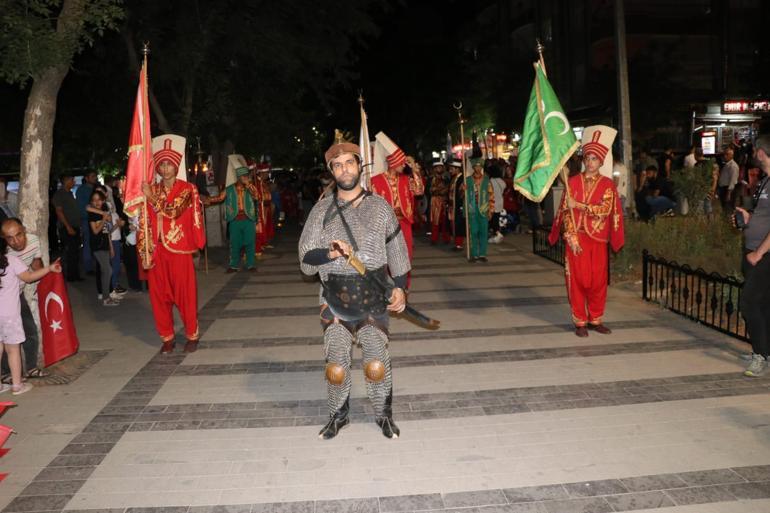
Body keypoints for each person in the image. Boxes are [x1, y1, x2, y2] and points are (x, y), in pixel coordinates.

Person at [298, 134, 410, 440]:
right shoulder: (321, 211)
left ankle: (383, 415)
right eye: (338, 165)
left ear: (360, 166)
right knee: (336, 363)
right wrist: (330, 253)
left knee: (375, 361)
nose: (345, 169)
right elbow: (306, 261)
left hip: (374, 293)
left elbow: (398, 251)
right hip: (334, 295)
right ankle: (338, 415)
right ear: (332, 172)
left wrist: (400, 288)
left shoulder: (381, 207)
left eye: (350, 162)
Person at [549, 127, 624, 337]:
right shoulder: (572, 182)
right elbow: (565, 212)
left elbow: (605, 210)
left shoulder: (608, 185)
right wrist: (570, 236)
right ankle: (580, 322)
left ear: (601, 162)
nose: (590, 162)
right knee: (577, 281)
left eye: (594, 159)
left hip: (598, 239)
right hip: (577, 239)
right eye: (588, 158)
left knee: (598, 281)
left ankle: (596, 319)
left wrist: (579, 205)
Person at [140, 143, 206, 353]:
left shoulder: (187, 189)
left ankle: (192, 334)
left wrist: (150, 197)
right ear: (158, 168)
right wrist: (144, 248)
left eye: (170, 164)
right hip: (157, 249)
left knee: (184, 294)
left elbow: (173, 211)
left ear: (176, 166)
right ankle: (167, 337)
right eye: (162, 164)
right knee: (159, 296)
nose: (166, 168)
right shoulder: (153, 187)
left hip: (178, 248)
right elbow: (143, 218)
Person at [0, 239, 61, 395]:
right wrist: (49, 268)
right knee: (13, 350)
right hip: (10, 316)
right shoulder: (11, 261)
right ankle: (17, 385)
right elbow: (29, 277)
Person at [735, 135, 770, 377]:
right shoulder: (766, 181)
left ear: (761, 153)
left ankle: (760, 355)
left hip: (763, 254)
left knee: (748, 302)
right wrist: (747, 217)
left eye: (755, 151)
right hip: (753, 249)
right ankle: (764, 351)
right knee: (763, 304)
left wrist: (759, 253)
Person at [1, 218, 49, 378]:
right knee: (4, 339)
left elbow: (36, 264)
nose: (15, 241)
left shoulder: (34, 240)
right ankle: (7, 373)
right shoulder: (5, 253)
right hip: (4, 299)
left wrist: (47, 282)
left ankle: (31, 367)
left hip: (18, 295)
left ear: (24, 230)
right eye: (9, 238)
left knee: (30, 330)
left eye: (18, 235)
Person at [371, 134, 424, 263]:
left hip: (404, 222)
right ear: (393, 163)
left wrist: (414, 170)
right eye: (402, 162)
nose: (404, 164)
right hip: (385, 225)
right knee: (388, 258)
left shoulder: (406, 179)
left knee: (406, 255)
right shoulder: (375, 180)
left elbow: (419, 190)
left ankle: (403, 283)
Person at [205, 166, 260, 273]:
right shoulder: (229, 189)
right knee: (235, 243)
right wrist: (208, 200)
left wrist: (249, 185)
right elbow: (220, 198)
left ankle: (251, 264)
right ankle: (233, 265)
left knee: (250, 242)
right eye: (243, 176)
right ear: (238, 177)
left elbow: (257, 196)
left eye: (246, 176)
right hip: (234, 219)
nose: (245, 178)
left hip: (248, 219)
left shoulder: (250, 187)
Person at [87, 190, 120, 306]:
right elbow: (95, 231)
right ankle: (106, 298)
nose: (97, 202)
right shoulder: (92, 214)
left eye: (99, 199)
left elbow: (107, 232)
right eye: (94, 200)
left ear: (103, 200)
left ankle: (106, 296)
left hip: (105, 245)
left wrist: (111, 247)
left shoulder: (103, 212)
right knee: (108, 270)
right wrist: (104, 218)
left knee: (106, 271)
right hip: (97, 246)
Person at [51, 174, 82, 282]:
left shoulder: (69, 193)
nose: (74, 182)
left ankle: (74, 275)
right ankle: (68, 276)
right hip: (67, 227)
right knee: (69, 252)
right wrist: (68, 226)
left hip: (74, 226)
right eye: (72, 180)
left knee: (75, 252)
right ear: (66, 180)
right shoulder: (59, 194)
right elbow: (59, 211)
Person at [464, 158, 494, 262]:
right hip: (472, 209)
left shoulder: (486, 180)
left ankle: (482, 254)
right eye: (476, 166)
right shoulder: (467, 180)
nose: (478, 168)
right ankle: (474, 254)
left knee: (483, 232)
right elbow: (462, 196)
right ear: (473, 167)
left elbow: (491, 195)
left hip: (484, 209)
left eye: (479, 166)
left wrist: (491, 210)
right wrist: (463, 190)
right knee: (473, 232)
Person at [76, 170, 98, 274]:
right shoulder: (81, 190)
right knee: (88, 243)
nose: (95, 178)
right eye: (93, 176)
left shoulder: (96, 188)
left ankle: (97, 264)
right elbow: (82, 208)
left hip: (97, 219)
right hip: (87, 220)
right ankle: (88, 267)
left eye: (95, 176)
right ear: (86, 178)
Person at [253, 163, 273, 257]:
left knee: (266, 224)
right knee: (259, 226)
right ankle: (259, 244)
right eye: (265, 173)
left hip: (266, 207)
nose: (267, 175)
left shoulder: (263, 183)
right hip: (259, 207)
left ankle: (263, 242)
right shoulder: (256, 183)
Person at [428, 160, 450, 245]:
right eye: (437, 167)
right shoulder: (431, 179)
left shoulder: (446, 178)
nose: (439, 169)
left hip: (444, 201)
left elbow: (448, 189)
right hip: (434, 201)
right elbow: (428, 190)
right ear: (434, 169)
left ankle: (446, 238)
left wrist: (442, 191)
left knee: (445, 220)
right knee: (435, 220)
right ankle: (434, 238)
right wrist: (438, 191)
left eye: (441, 167)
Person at [448, 159, 466, 250]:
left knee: (459, 224)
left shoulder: (462, 179)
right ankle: (456, 243)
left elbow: (462, 194)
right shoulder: (453, 178)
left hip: (459, 206)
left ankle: (459, 244)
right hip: (453, 206)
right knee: (454, 224)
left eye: (452, 168)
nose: (450, 170)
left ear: (457, 169)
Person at [488, 163, 506, 244]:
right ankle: (496, 234)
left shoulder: (491, 181)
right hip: (500, 202)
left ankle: (497, 234)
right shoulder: (502, 181)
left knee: (492, 220)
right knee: (496, 219)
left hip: (492, 203)